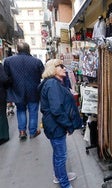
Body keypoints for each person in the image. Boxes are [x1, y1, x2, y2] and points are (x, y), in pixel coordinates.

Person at [38, 59, 82, 188]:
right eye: (60, 66)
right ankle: (64, 182)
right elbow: (56, 109)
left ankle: (59, 176)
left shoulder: (54, 82)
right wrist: (68, 125)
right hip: (55, 125)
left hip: (54, 124)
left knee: (58, 153)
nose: (64, 68)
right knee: (61, 155)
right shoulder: (52, 84)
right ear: (53, 68)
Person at [3, 42, 44, 140]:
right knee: (33, 111)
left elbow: (6, 77)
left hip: (17, 90)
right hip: (34, 90)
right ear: (29, 49)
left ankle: (22, 131)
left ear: (17, 49)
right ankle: (33, 132)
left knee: (20, 110)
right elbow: (43, 74)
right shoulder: (37, 61)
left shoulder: (8, 61)